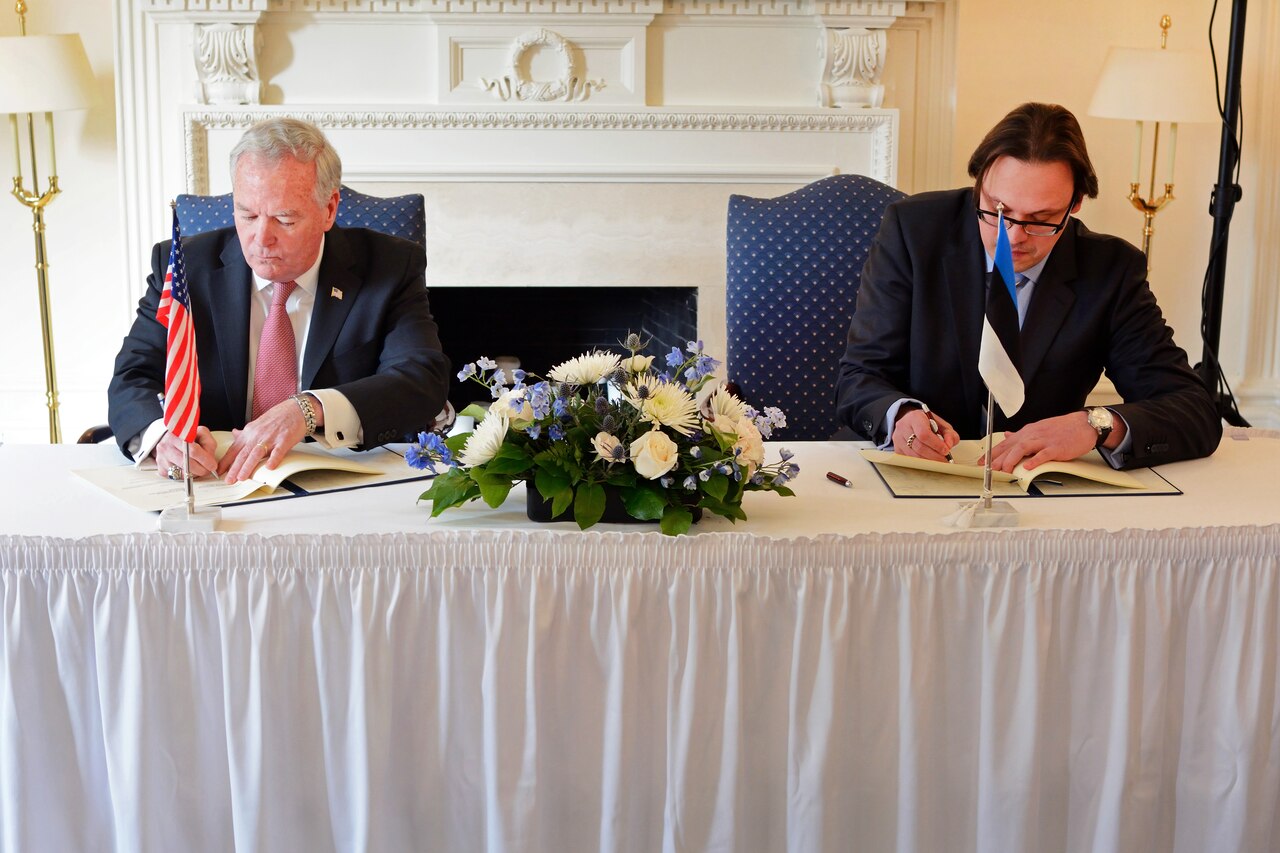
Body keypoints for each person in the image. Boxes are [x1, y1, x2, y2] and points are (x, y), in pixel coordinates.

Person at [835, 102, 1221, 472]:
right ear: (978, 185)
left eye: (1041, 218)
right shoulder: (913, 231)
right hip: (910, 471)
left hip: (1034, 488)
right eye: (997, 210)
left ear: (1075, 204)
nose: (1012, 237)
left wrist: (1096, 424)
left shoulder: (1110, 271)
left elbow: (1195, 410)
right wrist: (900, 414)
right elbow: (859, 377)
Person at [108, 117, 451, 482]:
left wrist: (308, 409)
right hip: (217, 479)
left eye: (284, 219)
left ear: (329, 210)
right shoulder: (184, 268)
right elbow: (133, 375)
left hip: (338, 481)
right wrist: (162, 437)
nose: (261, 238)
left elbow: (421, 378)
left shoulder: (390, 266)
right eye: (247, 214)